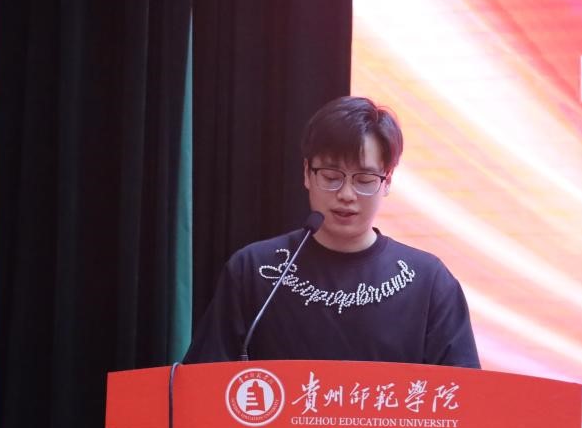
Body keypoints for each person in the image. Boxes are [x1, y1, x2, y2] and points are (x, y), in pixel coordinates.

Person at [183, 95, 480, 368]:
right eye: (331, 176)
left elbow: (462, 395)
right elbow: (203, 383)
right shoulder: (255, 270)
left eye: (364, 180)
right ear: (307, 173)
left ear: (387, 181)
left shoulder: (428, 281)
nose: (346, 194)